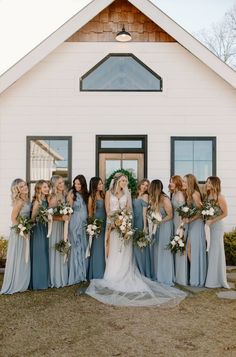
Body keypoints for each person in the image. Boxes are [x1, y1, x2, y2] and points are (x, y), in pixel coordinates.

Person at [86, 172, 186, 307]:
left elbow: (129, 209)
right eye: (122, 180)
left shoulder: (127, 194)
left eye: (125, 181)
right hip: (113, 226)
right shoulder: (108, 193)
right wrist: (115, 221)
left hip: (124, 226)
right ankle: (112, 275)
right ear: (116, 181)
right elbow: (108, 210)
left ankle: (124, 273)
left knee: (125, 252)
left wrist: (125, 221)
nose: (124, 183)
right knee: (113, 251)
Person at [1, 179, 31, 294]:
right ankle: (17, 283)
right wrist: (22, 231)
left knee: (24, 256)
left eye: (24, 185)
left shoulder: (26, 199)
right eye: (21, 186)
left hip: (25, 230)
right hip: (19, 232)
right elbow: (13, 219)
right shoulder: (19, 202)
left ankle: (23, 282)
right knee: (19, 257)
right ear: (17, 190)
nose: (24, 187)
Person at [204, 177, 229, 288]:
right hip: (208, 226)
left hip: (217, 227)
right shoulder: (208, 196)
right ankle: (211, 277)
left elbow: (225, 213)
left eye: (209, 182)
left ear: (214, 184)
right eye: (206, 182)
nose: (206, 184)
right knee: (210, 250)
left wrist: (212, 221)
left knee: (216, 251)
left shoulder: (220, 197)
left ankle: (216, 280)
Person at [182, 174, 206, 287]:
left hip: (197, 225)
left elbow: (201, 212)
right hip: (191, 224)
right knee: (190, 250)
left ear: (190, 183)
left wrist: (190, 219)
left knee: (191, 249)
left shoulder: (195, 194)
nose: (182, 183)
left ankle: (196, 277)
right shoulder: (188, 194)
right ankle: (195, 275)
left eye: (184, 182)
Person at [149, 180, 174, 285]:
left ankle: (165, 276)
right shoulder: (154, 199)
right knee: (156, 249)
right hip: (157, 227)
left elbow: (170, 215)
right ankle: (157, 274)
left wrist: (159, 221)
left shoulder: (165, 199)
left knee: (164, 250)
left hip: (165, 226)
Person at [67, 175, 88, 285]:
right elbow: (69, 209)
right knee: (76, 246)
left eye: (79, 184)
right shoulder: (72, 193)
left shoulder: (85, 194)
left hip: (84, 224)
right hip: (74, 222)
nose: (77, 186)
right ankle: (75, 274)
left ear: (83, 184)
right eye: (75, 183)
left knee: (83, 247)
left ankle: (83, 273)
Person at [48, 175, 69, 288]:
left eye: (62, 182)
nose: (62, 185)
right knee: (56, 249)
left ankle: (62, 276)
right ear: (55, 185)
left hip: (62, 226)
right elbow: (49, 216)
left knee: (63, 247)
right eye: (59, 183)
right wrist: (61, 218)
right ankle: (55, 278)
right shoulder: (53, 197)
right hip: (56, 226)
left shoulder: (63, 195)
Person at [30, 180, 50, 290]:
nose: (47, 189)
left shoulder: (45, 199)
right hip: (38, 230)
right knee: (39, 254)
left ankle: (43, 281)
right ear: (39, 189)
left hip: (45, 228)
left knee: (44, 252)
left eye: (47, 187)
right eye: (44, 187)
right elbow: (32, 218)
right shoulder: (38, 201)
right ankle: (38, 283)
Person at [169, 175, 188, 286]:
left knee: (180, 246)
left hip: (179, 223)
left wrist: (181, 226)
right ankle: (177, 275)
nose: (170, 183)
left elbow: (182, 211)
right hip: (175, 221)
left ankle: (181, 277)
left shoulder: (180, 194)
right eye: (170, 181)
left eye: (172, 181)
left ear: (176, 182)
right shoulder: (174, 193)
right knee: (176, 246)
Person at [87, 177, 106, 279]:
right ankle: (97, 272)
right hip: (97, 225)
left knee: (104, 247)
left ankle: (105, 270)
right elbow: (90, 214)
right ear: (94, 185)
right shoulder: (91, 197)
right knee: (97, 248)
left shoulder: (104, 195)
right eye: (99, 184)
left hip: (105, 223)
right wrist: (92, 227)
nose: (101, 185)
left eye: (101, 183)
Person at [132, 179, 151, 278]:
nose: (144, 186)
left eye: (147, 186)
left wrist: (145, 227)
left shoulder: (145, 196)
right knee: (134, 247)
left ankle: (142, 271)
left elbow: (144, 213)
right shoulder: (135, 195)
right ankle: (135, 269)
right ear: (140, 184)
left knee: (140, 246)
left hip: (140, 223)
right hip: (133, 222)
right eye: (143, 184)